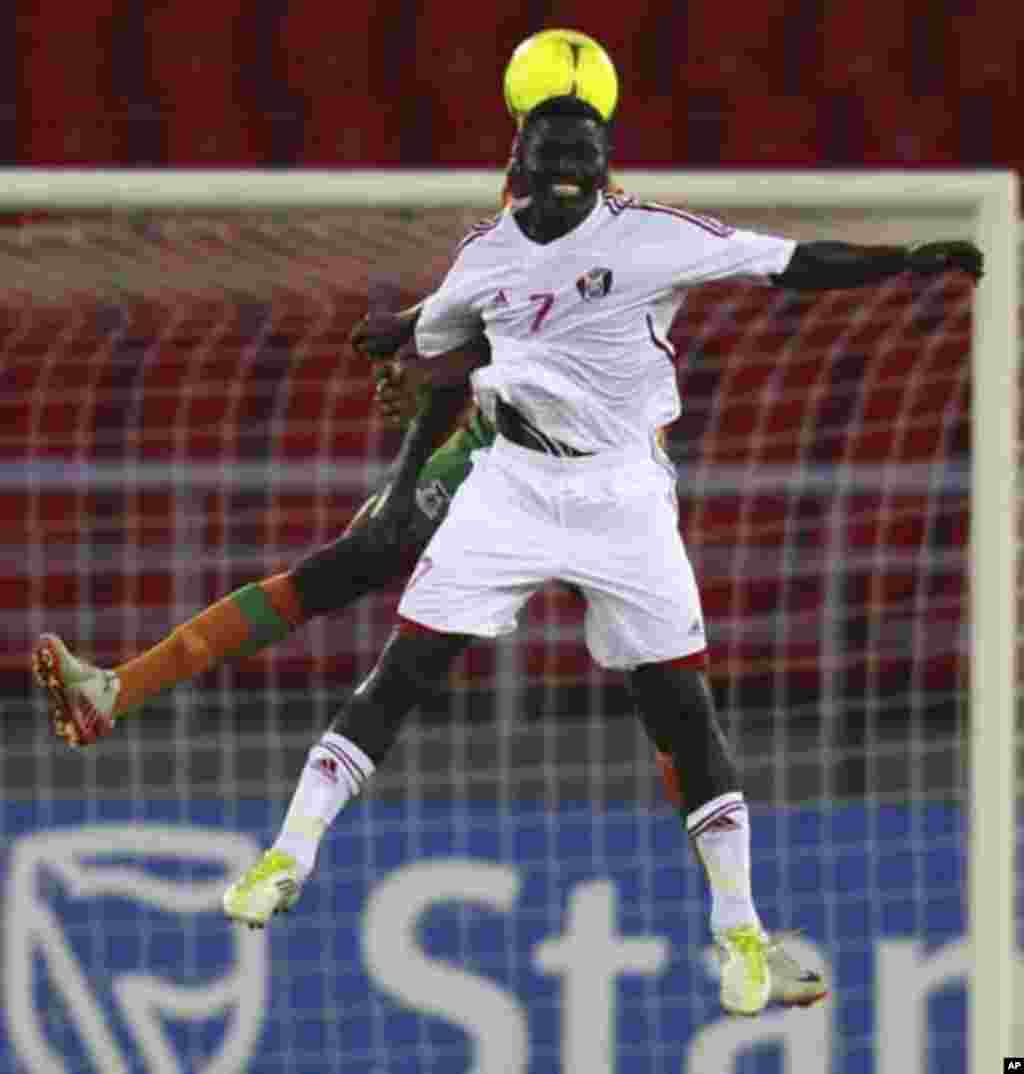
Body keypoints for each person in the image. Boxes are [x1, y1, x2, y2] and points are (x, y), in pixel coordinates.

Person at [218, 93, 984, 1016]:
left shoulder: (650, 235)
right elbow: (433, 337)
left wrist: (903, 262)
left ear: (605, 166)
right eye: (552, 162)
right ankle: (285, 856)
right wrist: (394, 341)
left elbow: (786, 263)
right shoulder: (486, 253)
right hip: (511, 480)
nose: (568, 178)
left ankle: (741, 934)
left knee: (679, 705)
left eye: (584, 162)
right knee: (407, 668)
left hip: (623, 495)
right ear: (522, 165)